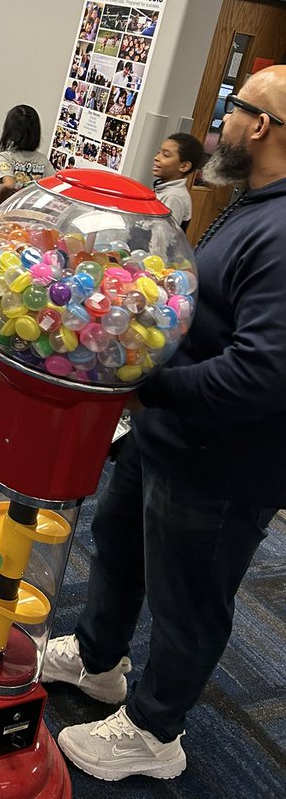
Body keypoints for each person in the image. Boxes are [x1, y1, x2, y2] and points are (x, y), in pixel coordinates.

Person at [44, 65, 286, 783]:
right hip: (166, 438)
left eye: (230, 110)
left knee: (189, 600)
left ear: (261, 126)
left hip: (221, 464)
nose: (220, 124)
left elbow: (262, 372)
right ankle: (97, 659)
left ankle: (156, 732)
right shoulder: (250, 202)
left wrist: (151, 391)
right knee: (118, 547)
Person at [0, 104, 52, 212]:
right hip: (30, 213)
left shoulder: (5, 157)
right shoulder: (43, 161)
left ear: (9, 131)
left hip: (7, 213)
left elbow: (9, 185)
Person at [151, 132, 205, 230]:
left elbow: (163, 239)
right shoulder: (164, 190)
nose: (156, 158)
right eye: (158, 152)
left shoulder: (173, 197)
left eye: (166, 155)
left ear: (184, 166)